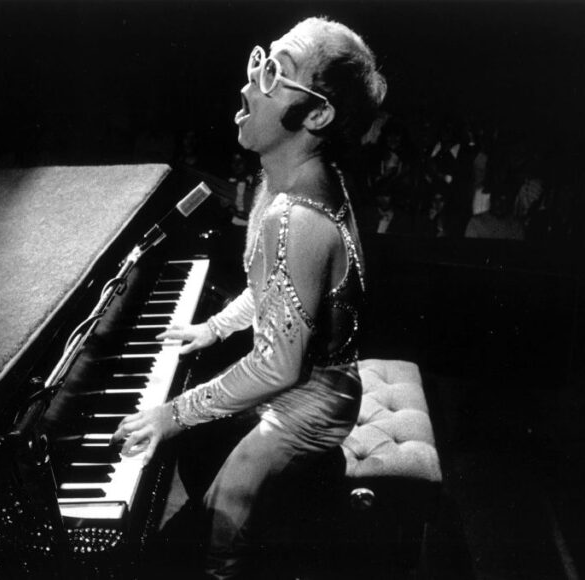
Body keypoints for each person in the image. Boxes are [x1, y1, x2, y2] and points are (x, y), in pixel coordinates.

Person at [111, 16, 386, 578]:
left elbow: (278, 365)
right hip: (308, 381)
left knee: (223, 522)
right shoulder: (290, 181)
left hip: (313, 406)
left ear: (316, 116)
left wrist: (171, 414)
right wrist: (211, 329)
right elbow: (272, 294)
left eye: (274, 75)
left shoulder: (294, 217)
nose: (247, 87)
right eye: (259, 64)